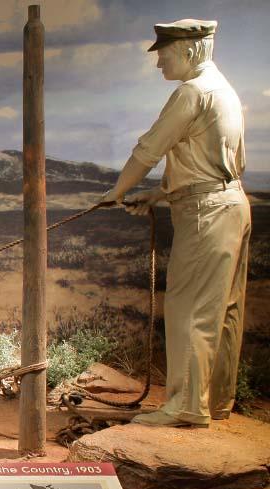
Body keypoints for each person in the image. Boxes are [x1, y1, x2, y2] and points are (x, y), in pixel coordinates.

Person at [102, 19, 250, 428]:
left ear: (189, 49)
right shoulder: (224, 91)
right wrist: (162, 194)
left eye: (164, 53)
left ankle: (186, 406)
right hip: (231, 203)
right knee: (225, 309)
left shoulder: (191, 93)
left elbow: (149, 149)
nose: (159, 62)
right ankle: (216, 401)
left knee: (189, 309)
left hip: (206, 213)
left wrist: (117, 191)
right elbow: (215, 165)